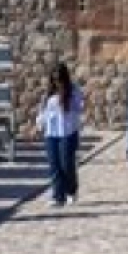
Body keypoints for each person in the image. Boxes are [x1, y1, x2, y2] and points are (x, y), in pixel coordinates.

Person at [37, 62, 84, 208]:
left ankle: (71, 191)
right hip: (51, 132)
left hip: (67, 132)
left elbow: (79, 108)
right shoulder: (48, 93)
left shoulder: (74, 90)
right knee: (54, 165)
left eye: (59, 79)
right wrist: (38, 124)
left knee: (66, 165)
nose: (57, 82)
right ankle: (58, 196)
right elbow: (43, 111)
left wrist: (67, 99)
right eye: (54, 79)